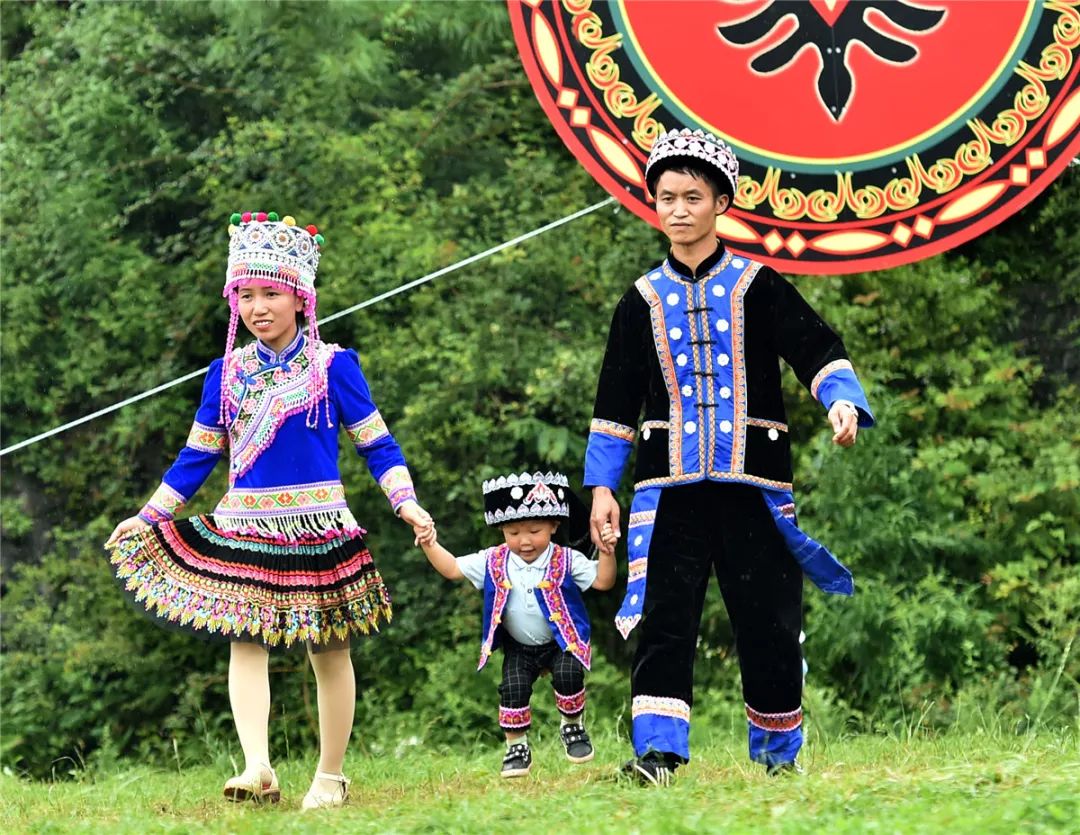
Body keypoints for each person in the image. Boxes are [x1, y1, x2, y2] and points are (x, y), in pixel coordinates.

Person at [105, 210, 433, 809]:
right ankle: (258, 766)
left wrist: (404, 501)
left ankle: (330, 777)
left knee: (328, 648)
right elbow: (197, 456)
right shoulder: (225, 374)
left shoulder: (334, 366)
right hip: (245, 523)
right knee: (244, 638)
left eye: (271, 293)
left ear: (301, 297)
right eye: (247, 295)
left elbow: (376, 443)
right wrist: (150, 514)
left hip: (318, 523)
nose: (259, 307)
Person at [585, 129, 874, 784]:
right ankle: (658, 754)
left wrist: (840, 401)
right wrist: (603, 488)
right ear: (654, 205)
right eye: (667, 197)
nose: (679, 208)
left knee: (768, 617)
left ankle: (779, 757)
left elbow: (817, 347)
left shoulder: (759, 285)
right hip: (669, 488)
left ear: (721, 203)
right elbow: (613, 403)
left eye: (693, 196)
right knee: (664, 616)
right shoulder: (639, 301)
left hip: (755, 483)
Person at [415, 471, 616, 777]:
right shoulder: (494, 560)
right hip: (518, 647)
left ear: (553, 525)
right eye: (513, 533)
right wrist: (430, 543)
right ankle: (516, 747)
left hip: (561, 641)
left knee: (568, 672)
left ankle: (572, 726)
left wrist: (606, 551)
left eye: (535, 530)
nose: (524, 541)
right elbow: (453, 568)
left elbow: (604, 581)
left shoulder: (566, 559)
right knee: (513, 688)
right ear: (502, 531)